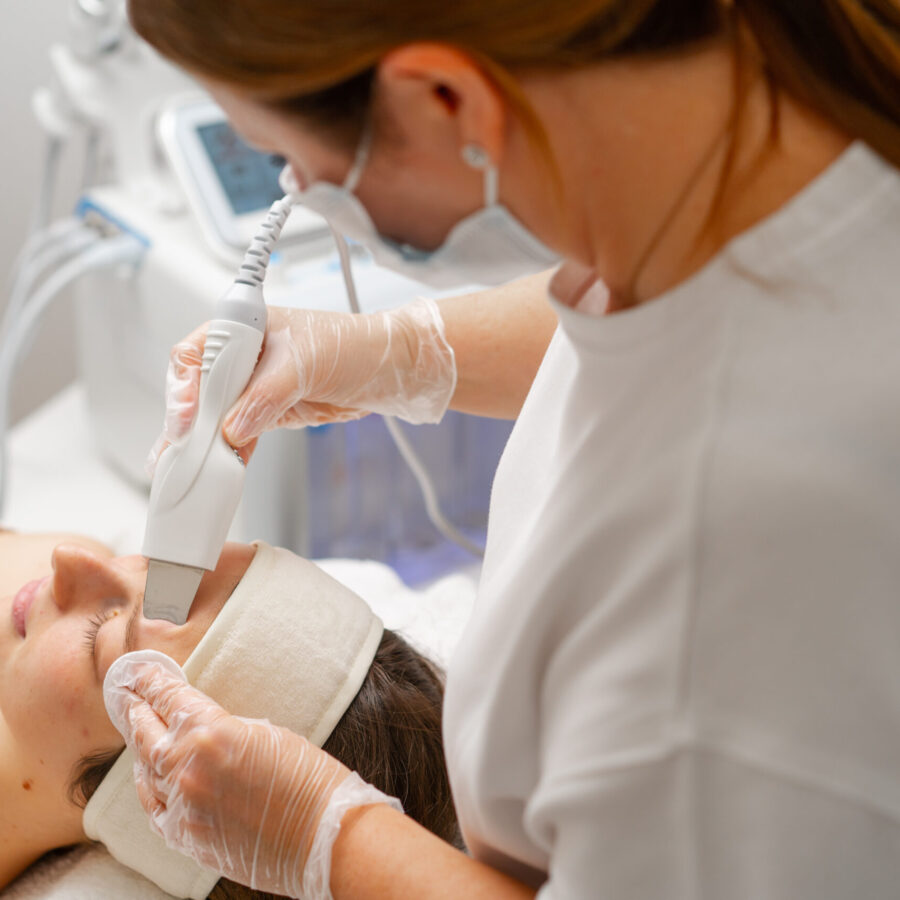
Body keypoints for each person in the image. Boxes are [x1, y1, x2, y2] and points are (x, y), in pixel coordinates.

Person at [113, 1, 900, 898]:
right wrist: (390, 353)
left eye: (302, 163)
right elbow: (662, 311)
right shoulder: (787, 116)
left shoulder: (721, 591)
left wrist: (326, 842)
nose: (295, 181)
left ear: (445, 98)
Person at [0, 530, 458, 898]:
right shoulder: (34, 571)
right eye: (158, 562)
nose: (70, 557)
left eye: (99, 640)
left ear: (156, 799)